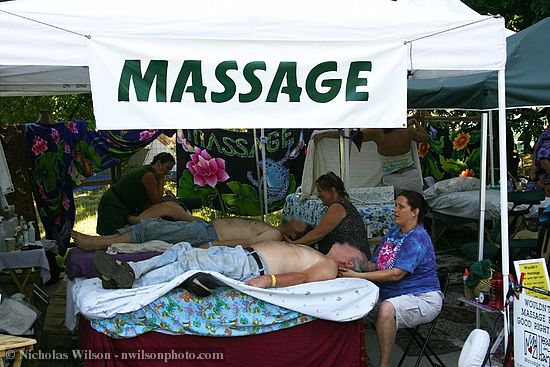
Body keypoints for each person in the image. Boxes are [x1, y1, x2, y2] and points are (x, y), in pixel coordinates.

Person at [339, 190, 442, 367]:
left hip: (422, 298)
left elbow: (396, 274)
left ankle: (384, 365)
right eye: (395, 205)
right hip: (392, 295)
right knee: (351, 302)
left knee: (386, 309)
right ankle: (347, 358)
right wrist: (356, 265)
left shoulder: (418, 237)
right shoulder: (394, 232)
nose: (395, 210)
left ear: (415, 212)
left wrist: (359, 275)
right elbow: (375, 264)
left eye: (401, 206)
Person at [92, 240, 368, 290]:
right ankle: (132, 271)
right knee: (181, 250)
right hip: (244, 255)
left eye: (346, 247)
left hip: (251, 267)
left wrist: (268, 281)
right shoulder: (321, 255)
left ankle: (133, 284)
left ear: (348, 260)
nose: (342, 243)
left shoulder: (329, 268)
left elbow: (302, 278)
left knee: (189, 261)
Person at [96, 153, 199, 235]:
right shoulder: (148, 175)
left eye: (170, 169)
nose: (168, 172)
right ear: (159, 163)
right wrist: (162, 178)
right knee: (111, 236)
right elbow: (157, 201)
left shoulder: (150, 172)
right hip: (113, 205)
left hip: (120, 203)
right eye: (167, 168)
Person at [73, 217, 311, 251]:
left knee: (152, 229)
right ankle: (98, 241)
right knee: (152, 225)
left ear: (296, 235)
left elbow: (246, 243)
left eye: (301, 223)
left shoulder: (276, 236)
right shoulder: (275, 228)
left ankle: (94, 244)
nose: (296, 218)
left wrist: (209, 244)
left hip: (205, 234)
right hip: (205, 228)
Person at [285, 172, 370, 257]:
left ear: (333, 190)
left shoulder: (338, 206)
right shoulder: (340, 205)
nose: (318, 195)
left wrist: (294, 244)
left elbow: (319, 234)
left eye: (320, 191)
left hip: (352, 260)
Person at [360, 119, 428, 195]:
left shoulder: (377, 133)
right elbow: (426, 137)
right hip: (410, 176)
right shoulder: (407, 131)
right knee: (416, 203)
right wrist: (415, 121)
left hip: (391, 178)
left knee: (396, 205)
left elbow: (356, 136)